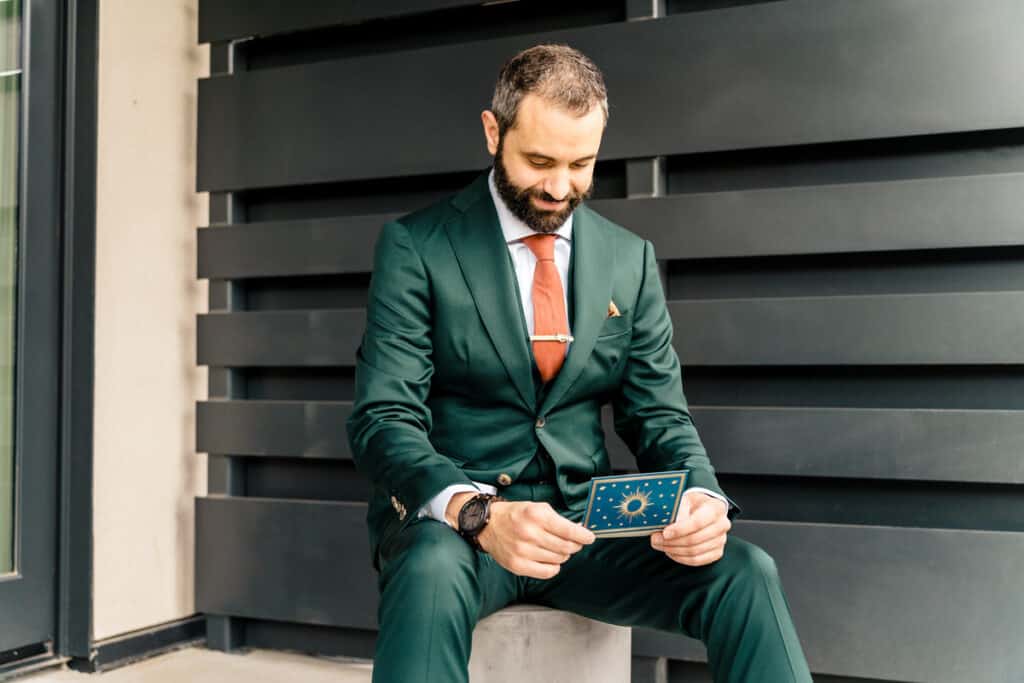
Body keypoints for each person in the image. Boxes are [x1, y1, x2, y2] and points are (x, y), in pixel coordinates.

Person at [346, 43, 812, 683]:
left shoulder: (630, 259)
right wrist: (478, 513)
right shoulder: (417, 247)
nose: (560, 187)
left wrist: (703, 497)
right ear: (492, 132)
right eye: (539, 161)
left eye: (581, 164)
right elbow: (382, 419)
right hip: (461, 532)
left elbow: (659, 415)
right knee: (427, 572)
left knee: (746, 573)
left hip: (584, 533)